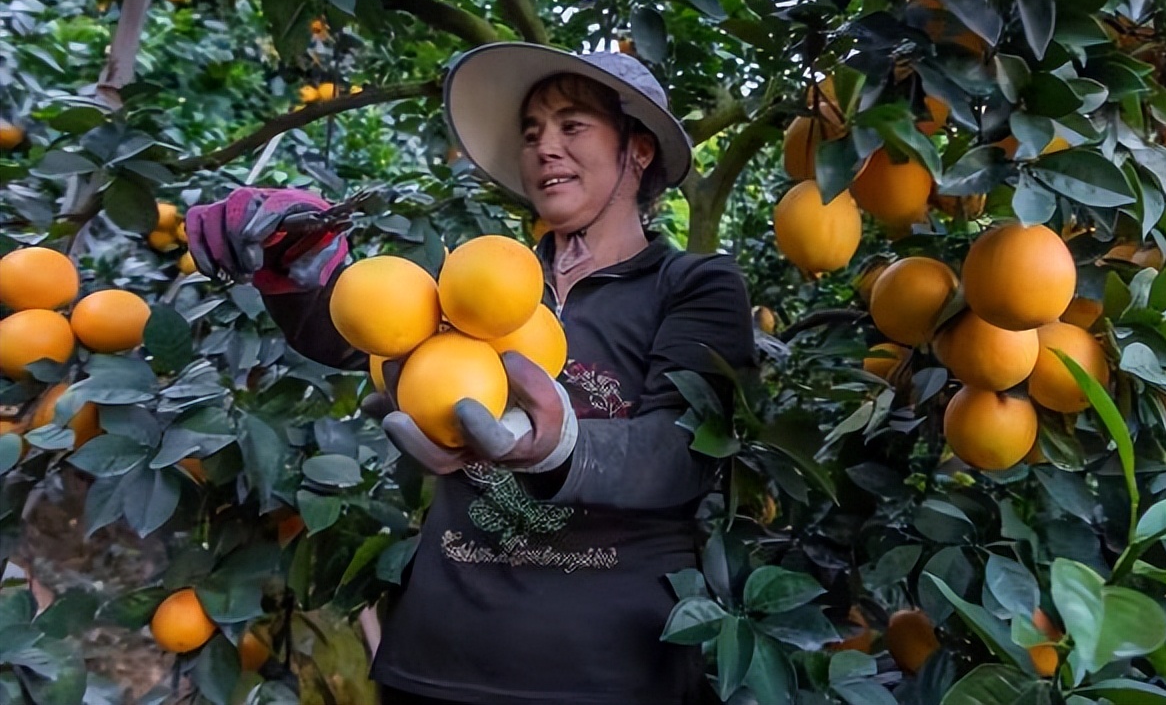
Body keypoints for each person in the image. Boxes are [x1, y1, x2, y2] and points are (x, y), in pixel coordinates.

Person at [186, 42, 755, 705]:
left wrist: (560, 448)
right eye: (532, 131)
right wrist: (292, 263)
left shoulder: (691, 285)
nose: (545, 146)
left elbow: (685, 450)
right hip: (435, 663)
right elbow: (353, 336)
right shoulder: (476, 278)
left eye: (572, 126)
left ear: (639, 149)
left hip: (607, 673)